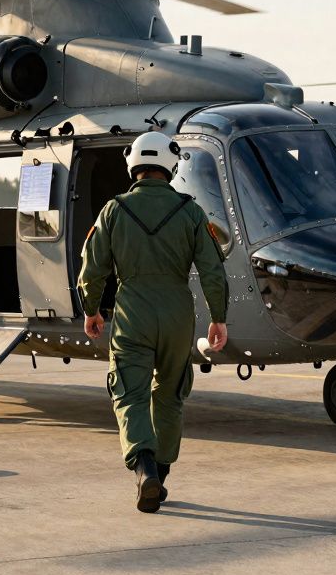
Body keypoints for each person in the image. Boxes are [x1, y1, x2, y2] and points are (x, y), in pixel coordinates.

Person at [78, 131, 229, 513]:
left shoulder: (114, 209)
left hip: (133, 312)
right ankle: (160, 476)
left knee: (129, 392)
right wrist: (219, 318)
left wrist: (91, 309)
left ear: (134, 165)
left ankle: (144, 469)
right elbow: (213, 270)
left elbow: (92, 269)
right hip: (178, 313)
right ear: (170, 165)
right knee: (171, 395)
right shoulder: (191, 211)